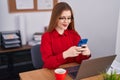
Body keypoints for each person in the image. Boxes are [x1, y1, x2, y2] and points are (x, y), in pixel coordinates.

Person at [40, 2, 91, 69]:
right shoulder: (46, 37)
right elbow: (48, 63)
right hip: (54, 72)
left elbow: (78, 60)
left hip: (71, 70)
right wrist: (65, 54)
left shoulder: (74, 34)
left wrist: (86, 54)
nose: (66, 21)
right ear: (55, 18)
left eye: (69, 18)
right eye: (62, 18)